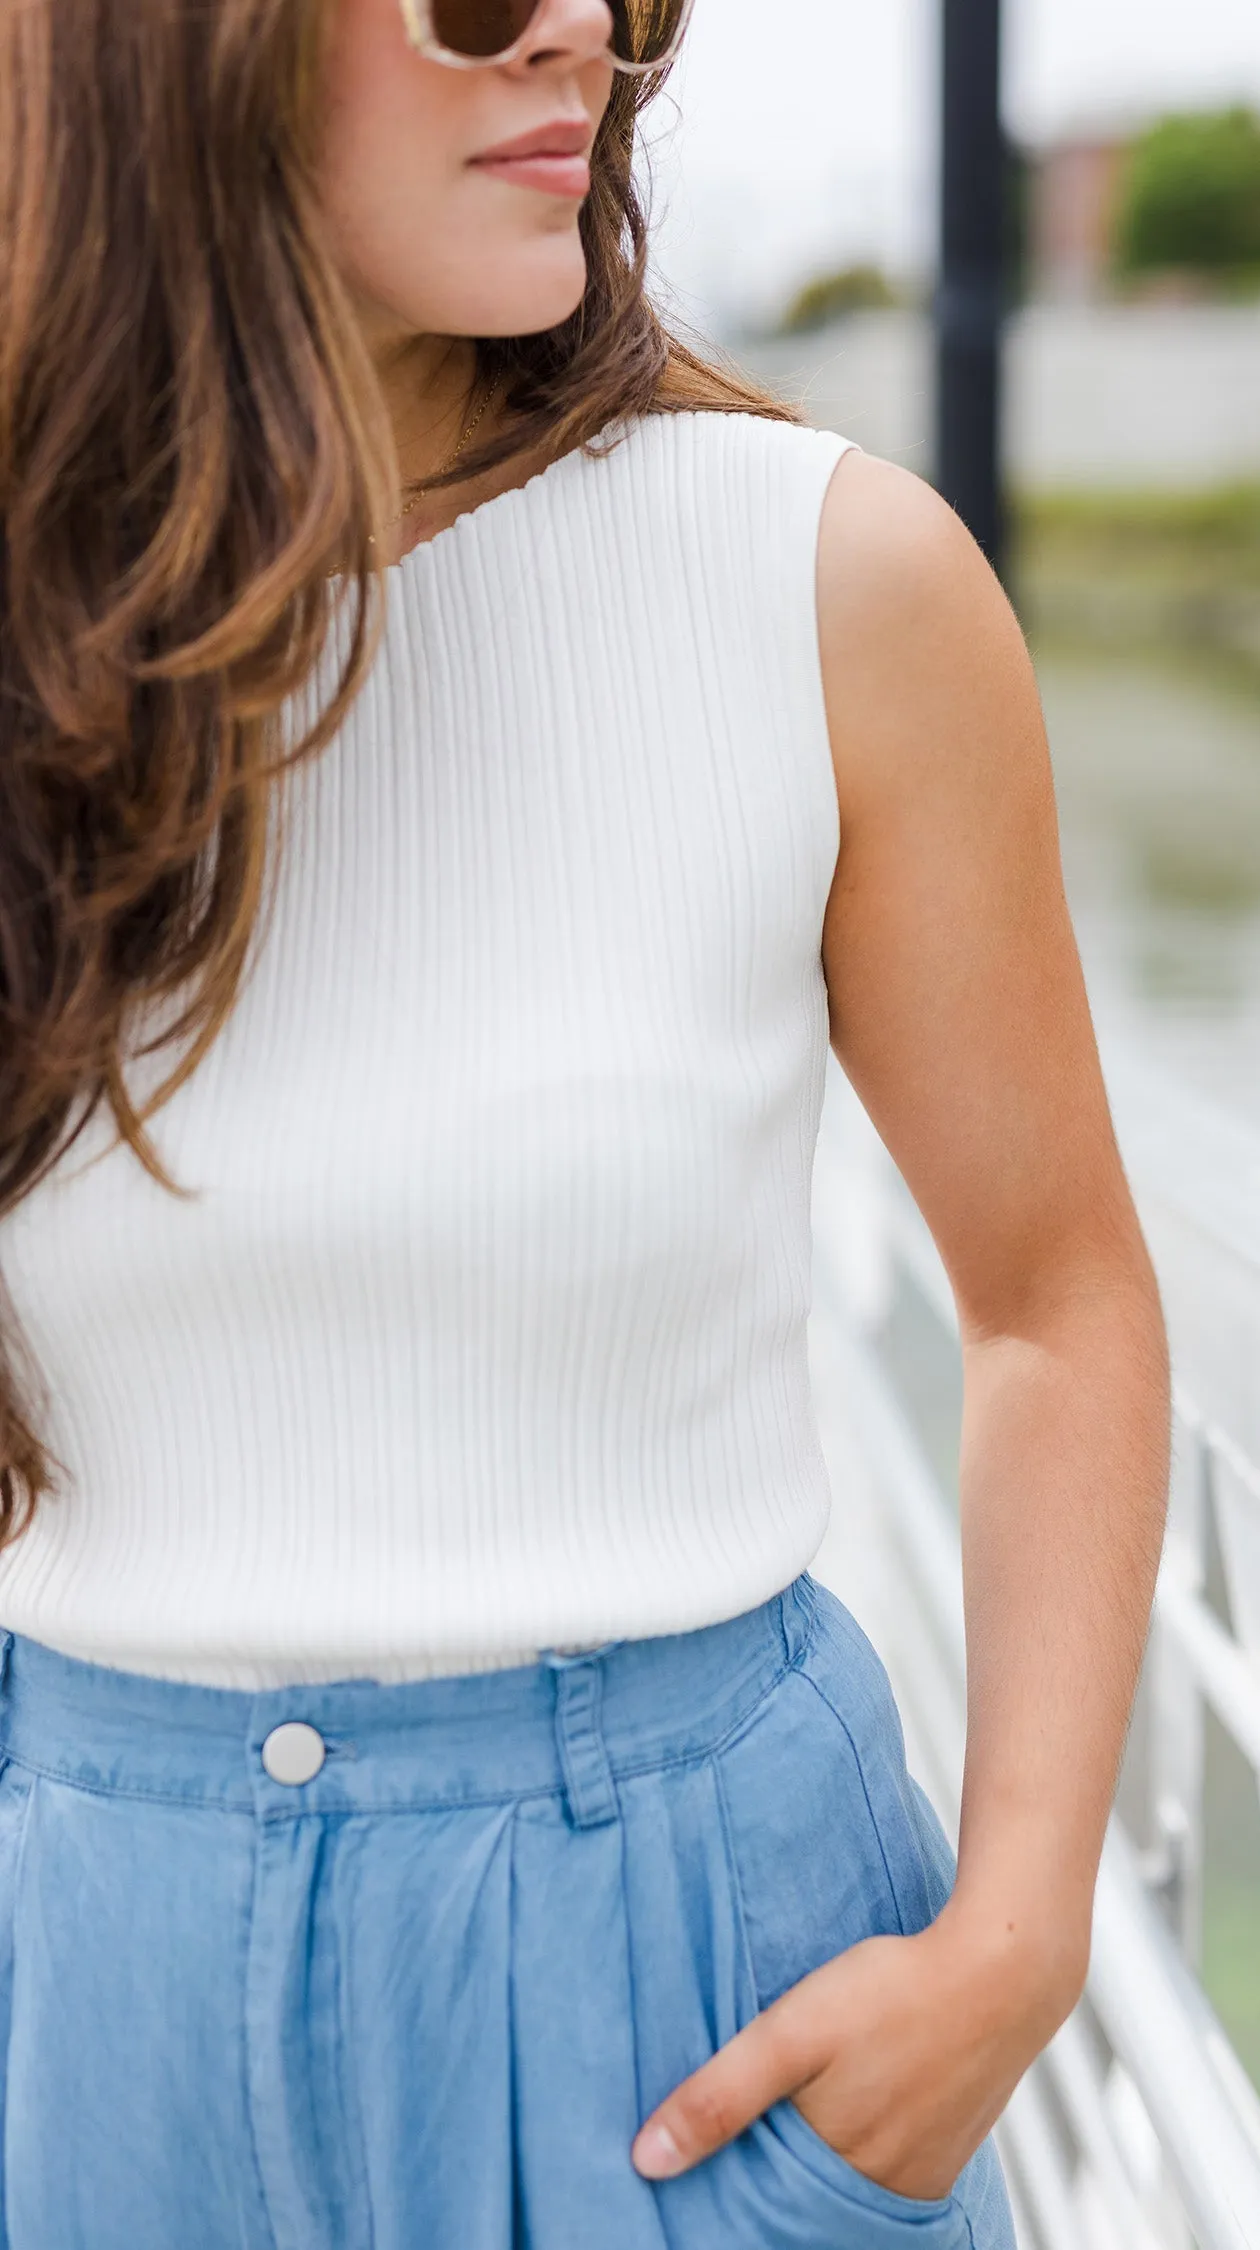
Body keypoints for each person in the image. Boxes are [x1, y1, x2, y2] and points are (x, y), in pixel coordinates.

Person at [0, 2, 1170, 2244]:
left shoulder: (827, 585)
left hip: (685, 1992)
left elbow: (1056, 1299)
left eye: (625, 1)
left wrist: (1019, 1934)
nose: (574, 41)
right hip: (86, 1978)